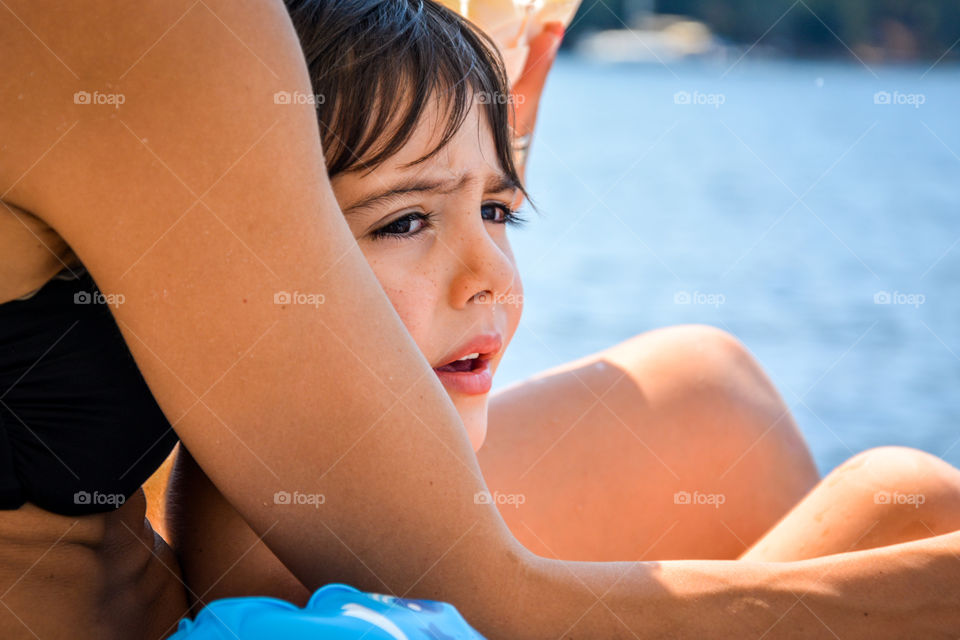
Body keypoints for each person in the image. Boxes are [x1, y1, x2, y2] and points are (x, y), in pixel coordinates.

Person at [1, 0, 959, 638]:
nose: (495, 273)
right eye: (409, 219)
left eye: (503, 213)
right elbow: (488, 599)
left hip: (174, 573)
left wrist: (465, 119)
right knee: (909, 500)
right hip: (241, 591)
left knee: (720, 402)